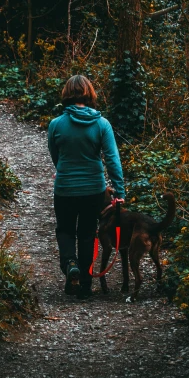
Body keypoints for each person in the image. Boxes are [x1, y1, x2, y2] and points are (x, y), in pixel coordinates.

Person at [47, 75, 126, 299]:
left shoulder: (56, 124)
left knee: (65, 230)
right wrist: (119, 192)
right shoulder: (102, 124)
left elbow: (56, 155)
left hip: (65, 188)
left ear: (66, 95)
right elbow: (112, 159)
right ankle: (84, 286)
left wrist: (64, 171)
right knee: (87, 233)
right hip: (94, 189)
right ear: (89, 94)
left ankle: (71, 264)